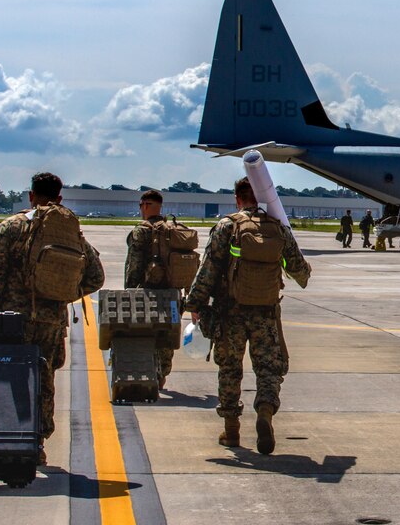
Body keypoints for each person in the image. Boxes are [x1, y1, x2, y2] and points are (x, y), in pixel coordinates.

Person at [0, 172, 104, 465]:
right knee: (44, 379)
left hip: (12, 320)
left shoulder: (11, 228)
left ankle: (9, 437)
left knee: (9, 377)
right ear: (59, 198)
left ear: (31, 196)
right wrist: (61, 295)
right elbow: (96, 277)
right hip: (51, 322)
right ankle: (37, 443)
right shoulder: (69, 231)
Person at [184, 177, 311, 454]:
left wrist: (195, 303)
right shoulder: (277, 228)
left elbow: (208, 269)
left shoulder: (227, 226)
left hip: (230, 312)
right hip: (266, 313)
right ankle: (265, 410)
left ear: (237, 199)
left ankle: (231, 431)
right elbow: (301, 271)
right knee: (268, 369)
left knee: (230, 369)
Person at [124, 189, 175, 389]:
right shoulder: (173, 229)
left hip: (147, 292)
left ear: (145, 205)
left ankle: (150, 373)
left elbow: (134, 265)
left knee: (146, 334)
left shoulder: (141, 231)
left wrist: (129, 291)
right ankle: (163, 373)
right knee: (167, 336)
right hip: (171, 293)